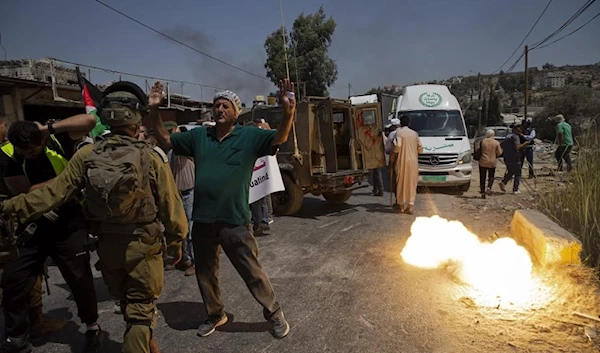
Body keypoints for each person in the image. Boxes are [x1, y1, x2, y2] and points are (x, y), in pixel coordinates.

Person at [0, 81, 188, 353]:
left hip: (107, 249)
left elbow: (53, 193)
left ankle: (147, 343)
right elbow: (172, 207)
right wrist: (177, 242)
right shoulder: (150, 156)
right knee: (140, 312)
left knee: (127, 303)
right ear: (136, 118)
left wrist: (10, 207)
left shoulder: (87, 154)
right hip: (143, 249)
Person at [150, 79, 296, 339]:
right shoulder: (199, 136)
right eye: (216, 105)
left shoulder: (249, 136)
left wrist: (288, 112)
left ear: (236, 112)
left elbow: (280, 137)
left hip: (234, 220)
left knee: (251, 271)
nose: (219, 109)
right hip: (204, 220)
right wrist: (153, 109)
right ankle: (215, 314)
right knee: (205, 273)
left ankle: (274, 312)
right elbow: (164, 138)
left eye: (225, 105)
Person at [0, 114, 102, 353]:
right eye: (24, 152)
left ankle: (92, 326)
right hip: (32, 225)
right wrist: (68, 179)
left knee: (80, 279)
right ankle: (16, 336)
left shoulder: (55, 140)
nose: (29, 156)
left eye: (33, 151)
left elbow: (89, 121)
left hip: (68, 223)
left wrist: (49, 128)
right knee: (14, 280)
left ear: (41, 140)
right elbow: (23, 193)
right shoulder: (7, 156)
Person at [166, 124, 196, 276]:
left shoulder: (186, 149)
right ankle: (184, 258)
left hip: (189, 193)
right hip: (176, 194)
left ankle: (194, 261)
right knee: (180, 229)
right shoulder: (170, 153)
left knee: (191, 229)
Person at [392, 115, 423, 214]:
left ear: (400, 123)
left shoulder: (399, 133)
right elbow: (420, 148)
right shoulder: (414, 134)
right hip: (413, 162)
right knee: (412, 183)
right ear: (409, 123)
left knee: (401, 183)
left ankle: (401, 205)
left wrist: (393, 155)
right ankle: (410, 205)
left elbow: (397, 146)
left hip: (402, 161)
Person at [499, 125, 530, 194]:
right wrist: (525, 144)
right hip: (515, 158)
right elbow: (518, 147)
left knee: (511, 172)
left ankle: (503, 182)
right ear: (515, 130)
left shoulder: (507, 137)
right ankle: (515, 189)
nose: (520, 132)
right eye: (519, 131)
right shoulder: (515, 137)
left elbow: (501, 145)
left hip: (507, 158)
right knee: (518, 174)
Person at [477, 129, 503, 199]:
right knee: (491, 176)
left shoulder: (482, 141)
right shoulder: (496, 142)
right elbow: (500, 153)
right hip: (492, 162)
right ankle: (489, 187)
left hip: (483, 161)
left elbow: (478, 149)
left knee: (482, 177)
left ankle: (482, 192)